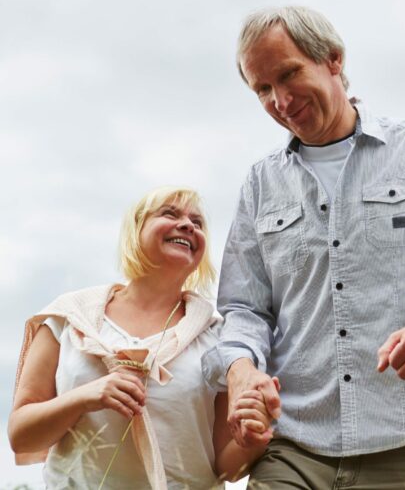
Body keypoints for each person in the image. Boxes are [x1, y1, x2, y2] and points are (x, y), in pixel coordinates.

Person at [202, 6, 405, 489]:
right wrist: (240, 370)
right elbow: (243, 307)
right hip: (292, 445)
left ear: (333, 59)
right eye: (262, 89)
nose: (280, 101)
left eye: (288, 74)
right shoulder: (260, 184)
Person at [9, 186, 272, 490]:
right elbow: (21, 435)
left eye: (197, 223)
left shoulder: (218, 338)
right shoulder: (67, 319)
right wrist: (85, 397)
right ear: (135, 230)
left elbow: (223, 467)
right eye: (169, 214)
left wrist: (251, 441)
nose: (188, 225)